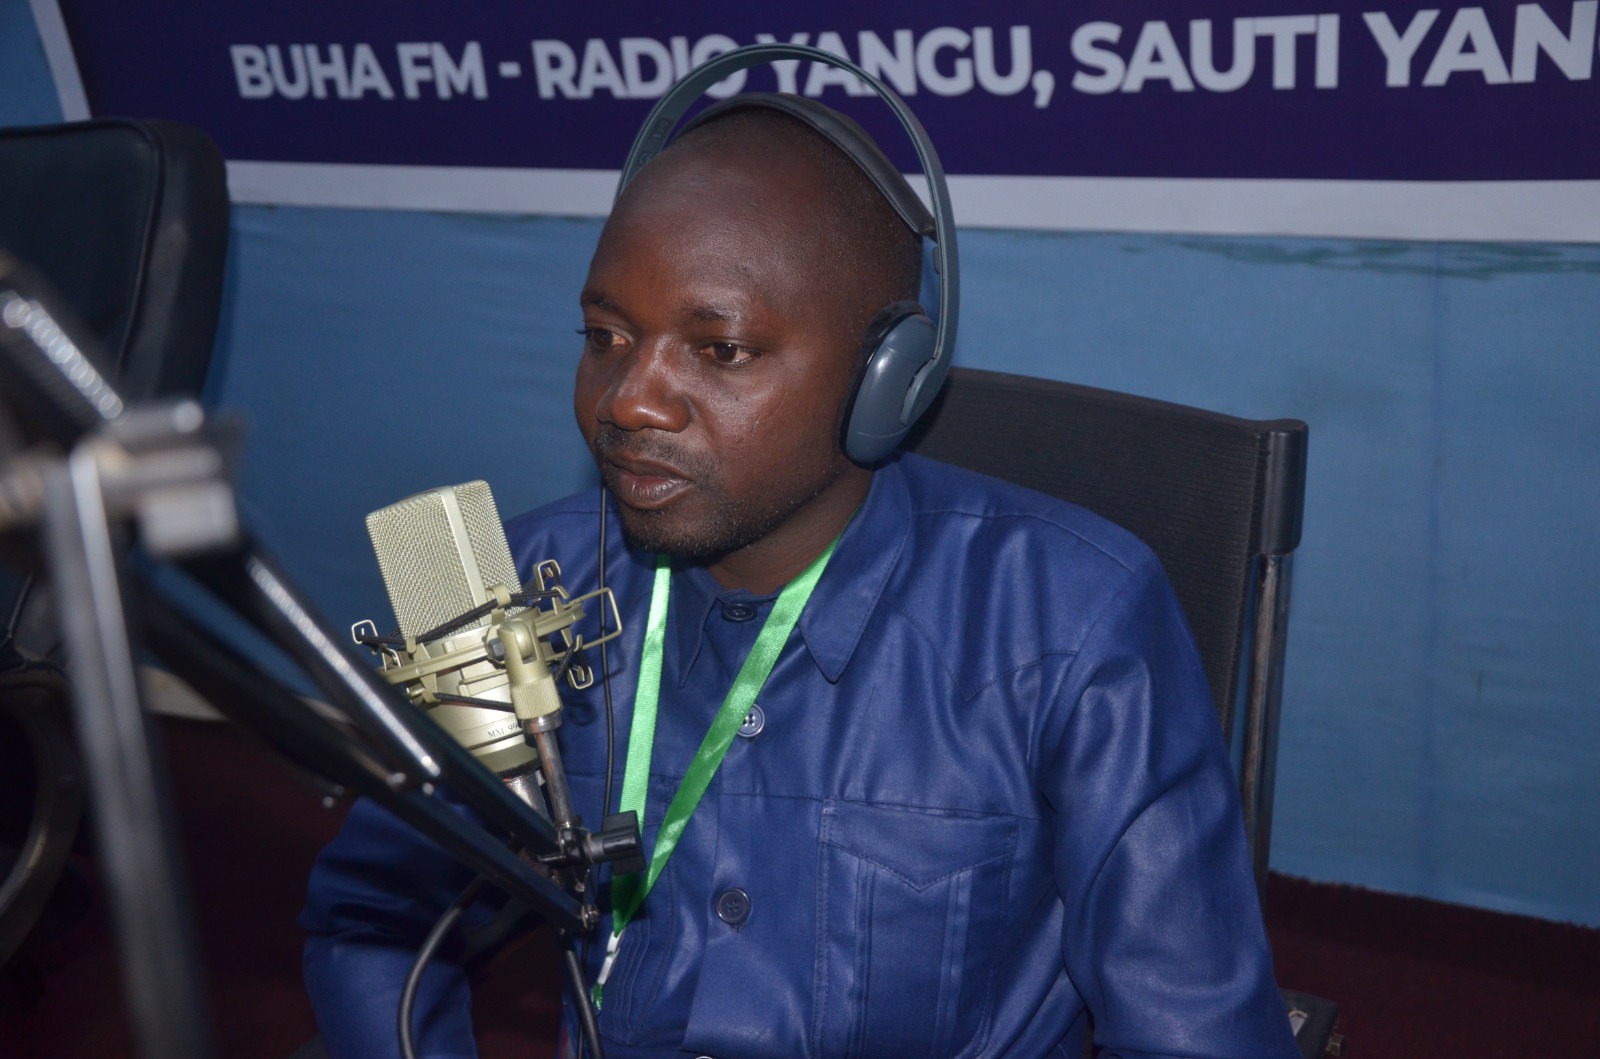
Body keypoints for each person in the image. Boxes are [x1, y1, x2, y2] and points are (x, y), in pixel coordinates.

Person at [301, 93, 1300, 1059]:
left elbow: (1196, 1035)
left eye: (720, 349)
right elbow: (371, 921)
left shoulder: (1074, 621)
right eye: (606, 336)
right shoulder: (511, 589)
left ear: (883, 378)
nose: (631, 400)